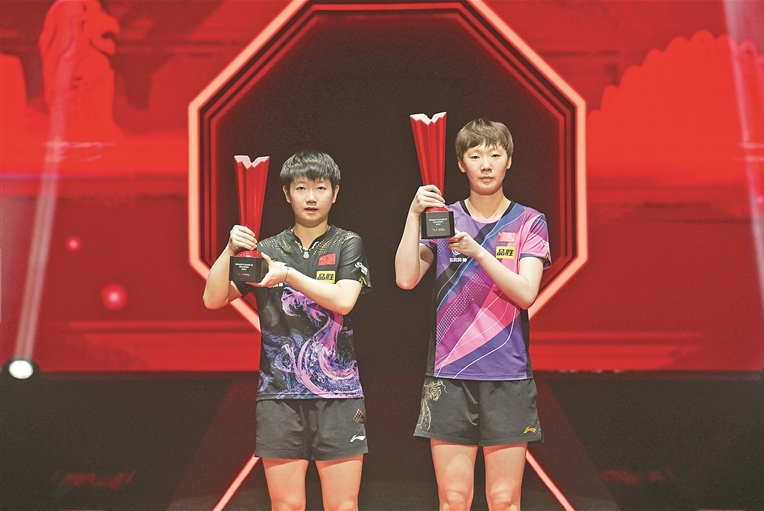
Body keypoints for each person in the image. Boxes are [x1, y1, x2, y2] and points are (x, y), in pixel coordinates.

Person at [395, 119, 551, 511]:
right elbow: (405, 278)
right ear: (461, 164)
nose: (485, 164)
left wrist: (478, 252)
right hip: (450, 375)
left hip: (508, 376)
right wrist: (413, 215)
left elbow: (526, 293)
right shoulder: (443, 218)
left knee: (504, 500)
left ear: (508, 160)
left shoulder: (529, 221)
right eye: (475, 155)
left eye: (494, 154)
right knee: (453, 499)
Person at [204, 150, 371, 511]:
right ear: (286, 193)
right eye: (301, 188)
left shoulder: (347, 243)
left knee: (343, 505)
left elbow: (344, 300)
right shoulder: (266, 250)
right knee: (286, 506)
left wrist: (288, 275)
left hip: (339, 395)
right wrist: (229, 250)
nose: (311, 197)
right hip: (278, 396)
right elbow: (213, 298)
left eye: (320, 188)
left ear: (335, 193)